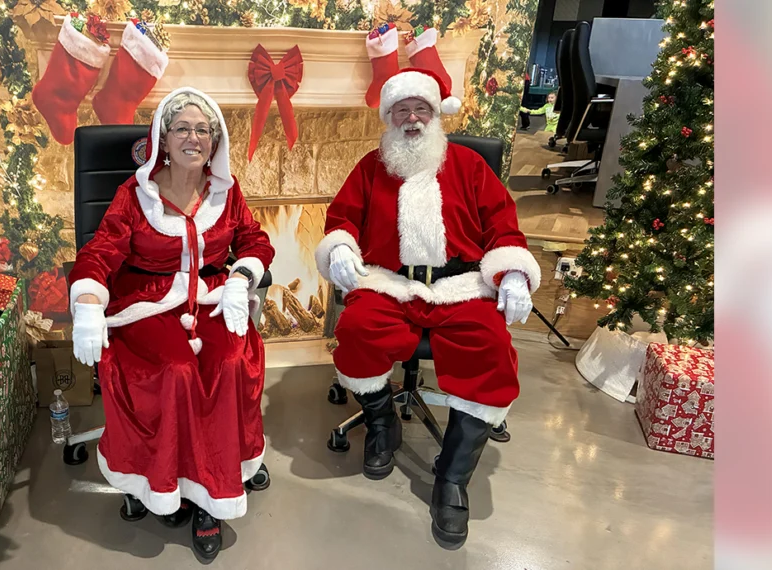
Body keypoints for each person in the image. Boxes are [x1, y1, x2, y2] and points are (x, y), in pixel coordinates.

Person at [315, 68, 540, 550]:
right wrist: (338, 247)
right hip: (389, 284)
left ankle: (453, 477)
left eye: (421, 109)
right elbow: (341, 219)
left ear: (437, 116)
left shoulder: (469, 166)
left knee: (491, 347)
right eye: (402, 110)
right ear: (389, 117)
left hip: (460, 285)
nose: (412, 118)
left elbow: (503, 226)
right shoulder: (371, 166)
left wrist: (514, 271)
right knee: (356, 331)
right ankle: (381, 421)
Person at [67, 87, 275, 562]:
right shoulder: (135, 194)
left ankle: (212, 500)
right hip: (148, 299)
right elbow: (101, 252)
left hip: (215, 296)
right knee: (176, 371)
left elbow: (256, 241)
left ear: (214, 140)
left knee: (225, 364)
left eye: (203, 129)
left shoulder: (227, 190)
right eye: (182, 127)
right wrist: (87, 304)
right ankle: (164, 482)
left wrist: (242, 278)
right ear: (164, 136)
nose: (193, 138)